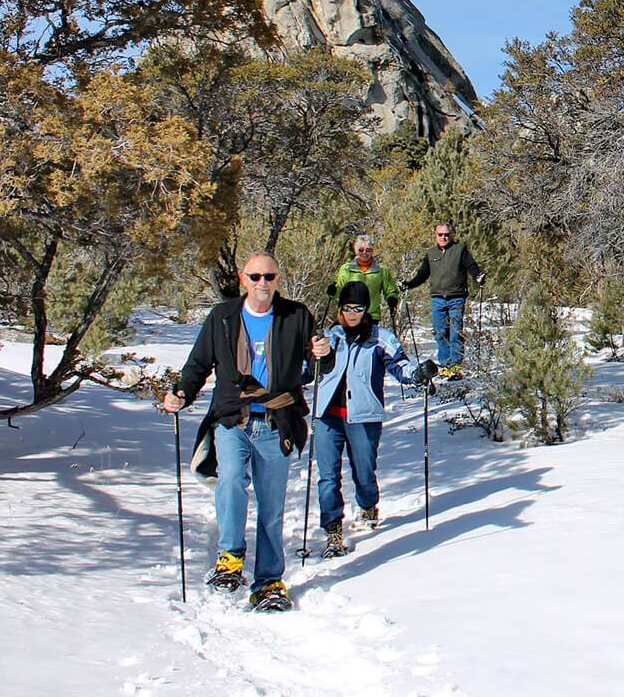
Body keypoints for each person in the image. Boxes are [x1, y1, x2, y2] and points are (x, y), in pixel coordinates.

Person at [163, 251, 330, 612]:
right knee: (231, 482)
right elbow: (198, 365)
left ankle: (269, 582)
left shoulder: (296, 316)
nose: (262, 284)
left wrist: (324, 352)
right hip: (231, 420)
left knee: (271, 506)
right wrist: (180, 393)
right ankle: (230, 557)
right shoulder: (222, 317)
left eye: (269, 277)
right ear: (243, 279)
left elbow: (317, 365)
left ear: (278, 280)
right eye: (255, 277)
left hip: (276, 423)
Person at [314, 281, 438, 556]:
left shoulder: (379, 338)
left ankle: (368, 504)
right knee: (327, 477)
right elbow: (309, 367)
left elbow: (400, 365)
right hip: (327, 417)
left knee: (364, 472)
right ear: (340, 309)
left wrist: (418, 375)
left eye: (358, 308)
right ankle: (333, 530)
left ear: (366, 309)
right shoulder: (331, 337)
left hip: (364, 416)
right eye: (348, 308)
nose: (353, 313)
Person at [402, 222, 483, 368]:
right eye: (440, 234)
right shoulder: (431, 253)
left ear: (451, 235)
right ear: (436, 235)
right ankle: (446, 365)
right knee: (440, 332)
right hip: (437, 299)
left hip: (456, 298)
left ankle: (456, 365)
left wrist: (478, 276)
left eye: (446, 234)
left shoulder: (460, 249)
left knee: (455, 332)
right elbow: (422, 275)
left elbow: (471, 265)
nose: (443, 237)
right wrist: (408, 285)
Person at [327, 234, 400, 324]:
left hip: (371, 316)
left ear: (373, 251)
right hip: (349, 315)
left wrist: (392, 299)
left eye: (368, 250)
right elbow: (339, 288)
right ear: (356, 251)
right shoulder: (346, 268)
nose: (364, 253)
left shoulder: (381, 270)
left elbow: (390, 290)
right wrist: (333, 291)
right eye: (361, 250)